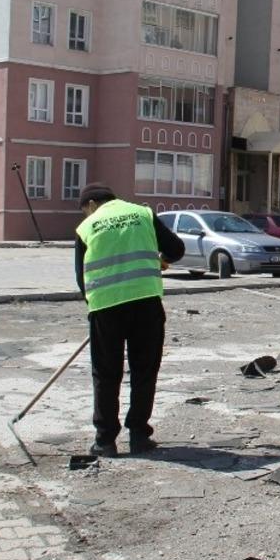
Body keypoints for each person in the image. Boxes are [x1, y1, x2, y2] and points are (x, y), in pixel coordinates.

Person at [75, 184, 185, 457]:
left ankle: (105, 441)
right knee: (144, 371)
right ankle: (138, 435)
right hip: (146, 303)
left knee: (105, 374)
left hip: (106, 308)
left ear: (90, 204)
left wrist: (95, 310)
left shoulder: (88, 226)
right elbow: (177, 248)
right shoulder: (143, 214)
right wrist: (163, 259)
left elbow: (82, 278)